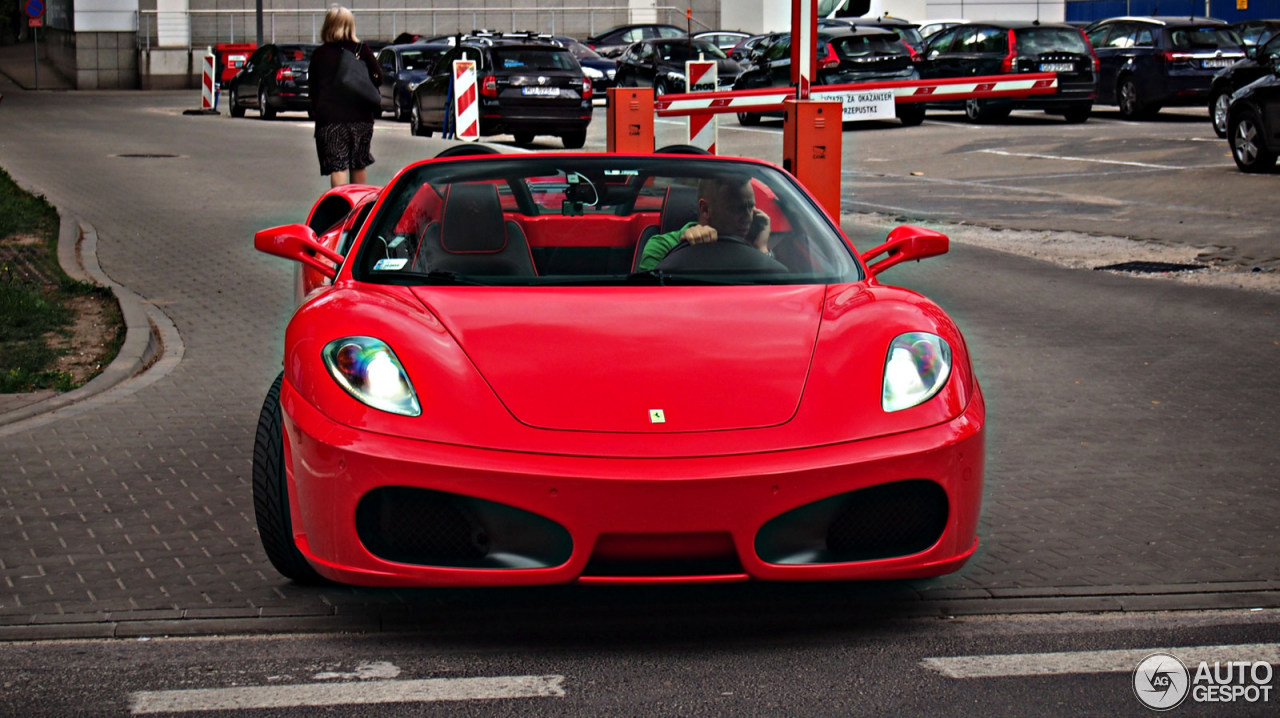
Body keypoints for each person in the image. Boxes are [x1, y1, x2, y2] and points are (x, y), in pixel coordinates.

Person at [308, 5, 382, 188]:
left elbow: (313, 90)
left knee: (338, 166)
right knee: (359, 164)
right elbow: (378, 78)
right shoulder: (362, 51)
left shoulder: (319, 55)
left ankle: (341, 211)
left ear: (328, 26)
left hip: (331, 120)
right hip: (361, 118)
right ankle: (359, 209)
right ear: (350, 26)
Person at [636, 176, 772, 272]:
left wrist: (761, 250)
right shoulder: (662, 247)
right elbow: (648, 300)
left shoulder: (753, 244)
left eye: (751, 207)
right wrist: (689, 251)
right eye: (737, 209)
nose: (748, 217)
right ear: (705, 209)